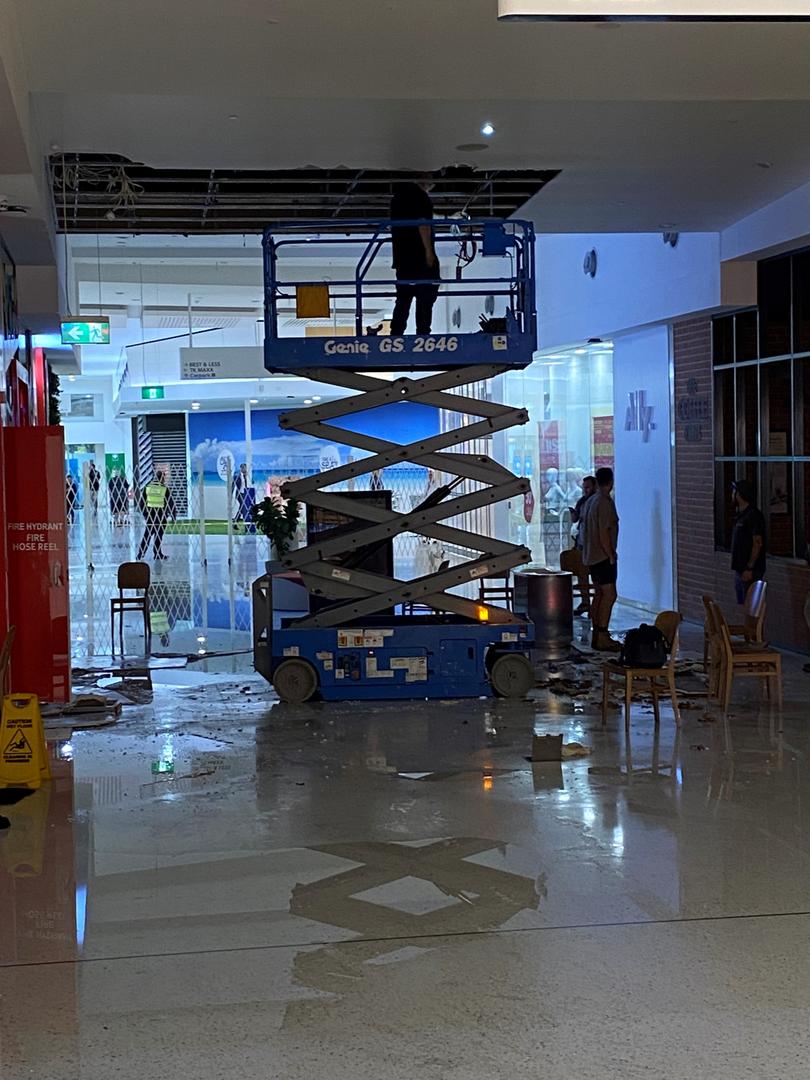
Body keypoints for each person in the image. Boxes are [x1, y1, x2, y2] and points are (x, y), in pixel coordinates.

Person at [389, 179, 440, 336]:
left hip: (402, 258)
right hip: (420, 257)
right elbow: (423, 224)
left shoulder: (396, 199)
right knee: (425, 297)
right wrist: (429, 252)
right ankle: (423, 333)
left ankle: (396, 332)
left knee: (404, 297)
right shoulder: (421, 197)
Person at [581, 466, 620, 651]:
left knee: (599, 594)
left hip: (591, 555)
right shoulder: (604, 502)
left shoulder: (591, 501)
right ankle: (602, 634)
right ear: (611, 482)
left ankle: (597, 633)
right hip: (602, 556)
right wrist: (610, 553)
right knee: (610, 595)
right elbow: (604, 531)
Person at [730, 478, 766, 604]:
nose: (732, 494)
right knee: (743, 604)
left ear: (740, 494)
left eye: (734, 491)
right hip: (740, 569)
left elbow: (757, 543)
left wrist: (749, 567)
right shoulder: (740, 515)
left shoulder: (753, 515)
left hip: (749, 570)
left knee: (752, 606)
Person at [137, 470, 176, 561]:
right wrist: (173, 515)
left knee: (147, 535)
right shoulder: (164, 489)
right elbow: (170, 503)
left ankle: (140, 554)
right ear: (162, 478)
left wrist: (145, 514)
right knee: (158, 536)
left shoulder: (148, 487)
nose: (165, 480)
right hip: (161, 515)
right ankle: (157, 553)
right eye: (164, 478)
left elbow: (142, 502)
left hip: (150, 515)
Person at [570, 475, 597, 550]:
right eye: (584, 488)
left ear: (595, 487)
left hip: (595, 543)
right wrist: (573, 513)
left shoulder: (599, 502)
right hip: (582, 541)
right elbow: (575, 519)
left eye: (588, 488)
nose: (585, 490)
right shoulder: (581, 501)